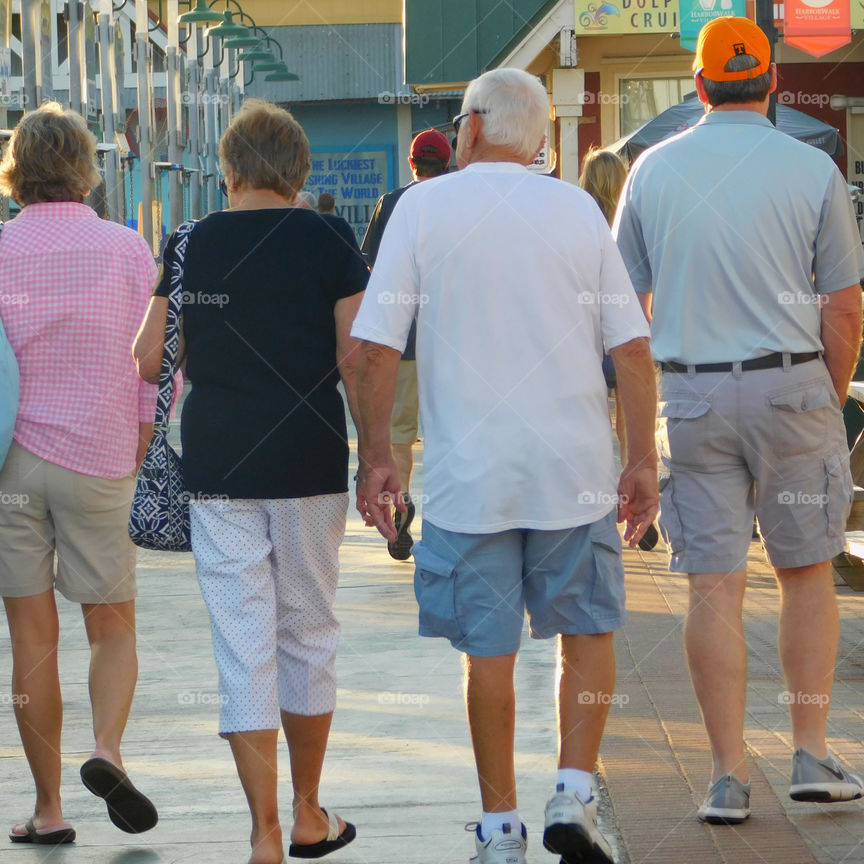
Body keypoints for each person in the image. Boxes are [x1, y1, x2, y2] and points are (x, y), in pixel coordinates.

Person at [351, 69, 658, 864]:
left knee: (489, 654)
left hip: (468, 482)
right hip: (576, 473)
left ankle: (498, 830)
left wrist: (378, 455)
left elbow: (373, 349)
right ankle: (575, 794)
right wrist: (643, 460)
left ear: (476, 129)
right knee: (587, 630)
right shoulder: (578, 211)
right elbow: (631, 348)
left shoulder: (421, 208)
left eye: (458, 122)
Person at [613, 16, 864, 825]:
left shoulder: (651, 169)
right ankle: (811, 751)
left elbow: (627, 314)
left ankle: (727, 775)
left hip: (693, 397)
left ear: (697, 86)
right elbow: (844, 305)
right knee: (804, 572)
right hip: (792, 386)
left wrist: (637, 439)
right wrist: (827, 391)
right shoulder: (812, 167)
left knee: (712, 586)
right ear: (773, 86)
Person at [133, 99, 367, 864]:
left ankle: (263, 832)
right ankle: (307, 813)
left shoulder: (191, 242)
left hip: (217, 463)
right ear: (298, 171)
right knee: (307, 632)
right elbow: (355, 356)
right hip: (308, 459)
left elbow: (147, 358)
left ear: (229, 170)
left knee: (243, 648)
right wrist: (382, 454)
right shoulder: (329, 236)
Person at [0, 102, 159, 845]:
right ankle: (108, 749)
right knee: (111, 622)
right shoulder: (127, 250)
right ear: (86, 167)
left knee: (33, 638)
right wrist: (142, 433)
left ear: (15, 170)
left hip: (6, 463)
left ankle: (49, 809)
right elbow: (161, 359)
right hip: (101, 456)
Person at [360, 128, 451, 560]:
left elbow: (372, 271)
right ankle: (453, 514)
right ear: (447, 163)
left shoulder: (392, 204)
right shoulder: (462, 205)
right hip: (452, 344)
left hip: (404, 343)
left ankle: (403, 501)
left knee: (400, 434)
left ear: (412, 163)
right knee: (447, 432)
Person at [579, 147, 659, 552]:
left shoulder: (579, 220)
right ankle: (635, 488)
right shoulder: (634, 220)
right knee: (631, 424)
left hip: (591, 340)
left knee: (599, 424)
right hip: (631, 336)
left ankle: (608, 497)